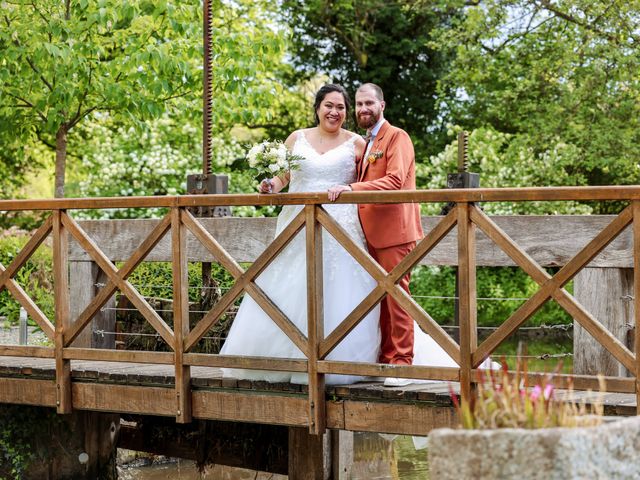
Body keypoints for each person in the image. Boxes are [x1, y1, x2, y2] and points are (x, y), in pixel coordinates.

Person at [220, 84, 381, 385]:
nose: (334, 112)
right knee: (288, 285)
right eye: (328, 105)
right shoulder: (297, 138)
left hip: (340, 228)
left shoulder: (357, 144)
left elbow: (367, 183)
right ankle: (279, 357)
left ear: (347, 112)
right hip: (296, 223)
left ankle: (337, 361)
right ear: (318, 107)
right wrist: (271, 185)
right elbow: (285, 175)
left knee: (339, 290)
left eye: (341, 107)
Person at [328, 83, 453, 387]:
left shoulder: (397, 137)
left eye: (369, 103)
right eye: (358, 104)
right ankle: (386, 359)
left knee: (397, 297)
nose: (363, 109)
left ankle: (401, 364)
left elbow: (396, 180)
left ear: (382, 105)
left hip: (395, 232)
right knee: (382, 298)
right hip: (369, 233)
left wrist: (351, 189)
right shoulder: (367, 142)